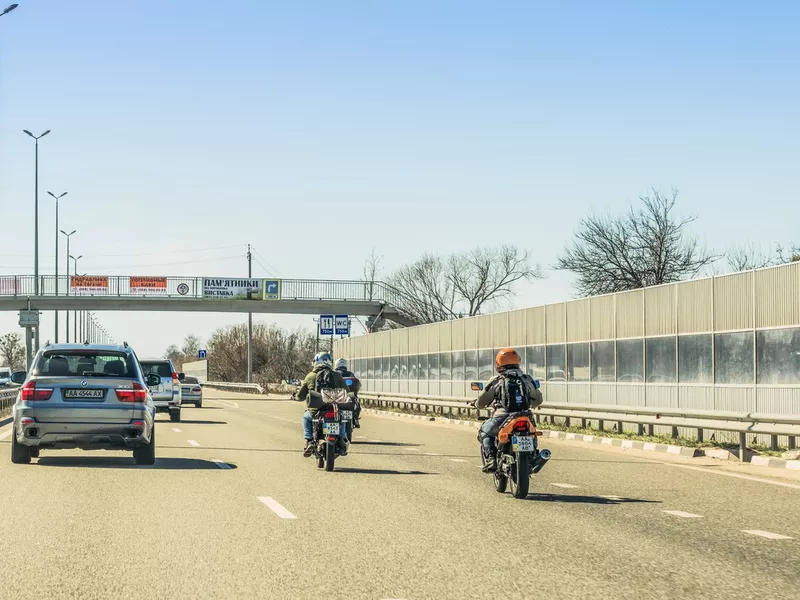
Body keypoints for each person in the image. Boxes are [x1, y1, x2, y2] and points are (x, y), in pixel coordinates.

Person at [474, 348, 543, 472]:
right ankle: (533, 456)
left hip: (502, 417)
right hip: (525, 415)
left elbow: (481, 402)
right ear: (518, 361)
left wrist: (477, 404)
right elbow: (538, 400)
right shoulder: (527, 379)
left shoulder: (496, 380)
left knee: (484, 432)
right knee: (531, 433)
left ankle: (491, 459)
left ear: (498, 363)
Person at [296, 352, 350, 457]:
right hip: (334, 408)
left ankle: (310, 441)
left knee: (306, 418)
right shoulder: (336, 375)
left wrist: (297, 397)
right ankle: (343, 437)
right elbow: (346, 391)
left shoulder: (310, 376)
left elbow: (301, 396)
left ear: (316, 362)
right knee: (342, 418)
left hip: (316, 410)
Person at [334, 358, 362, 428]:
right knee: (357, 405)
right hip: (348, 397)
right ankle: (355, 419)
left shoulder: (334, 374)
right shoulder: (350, 374)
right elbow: (358, 384)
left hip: (336, 397)